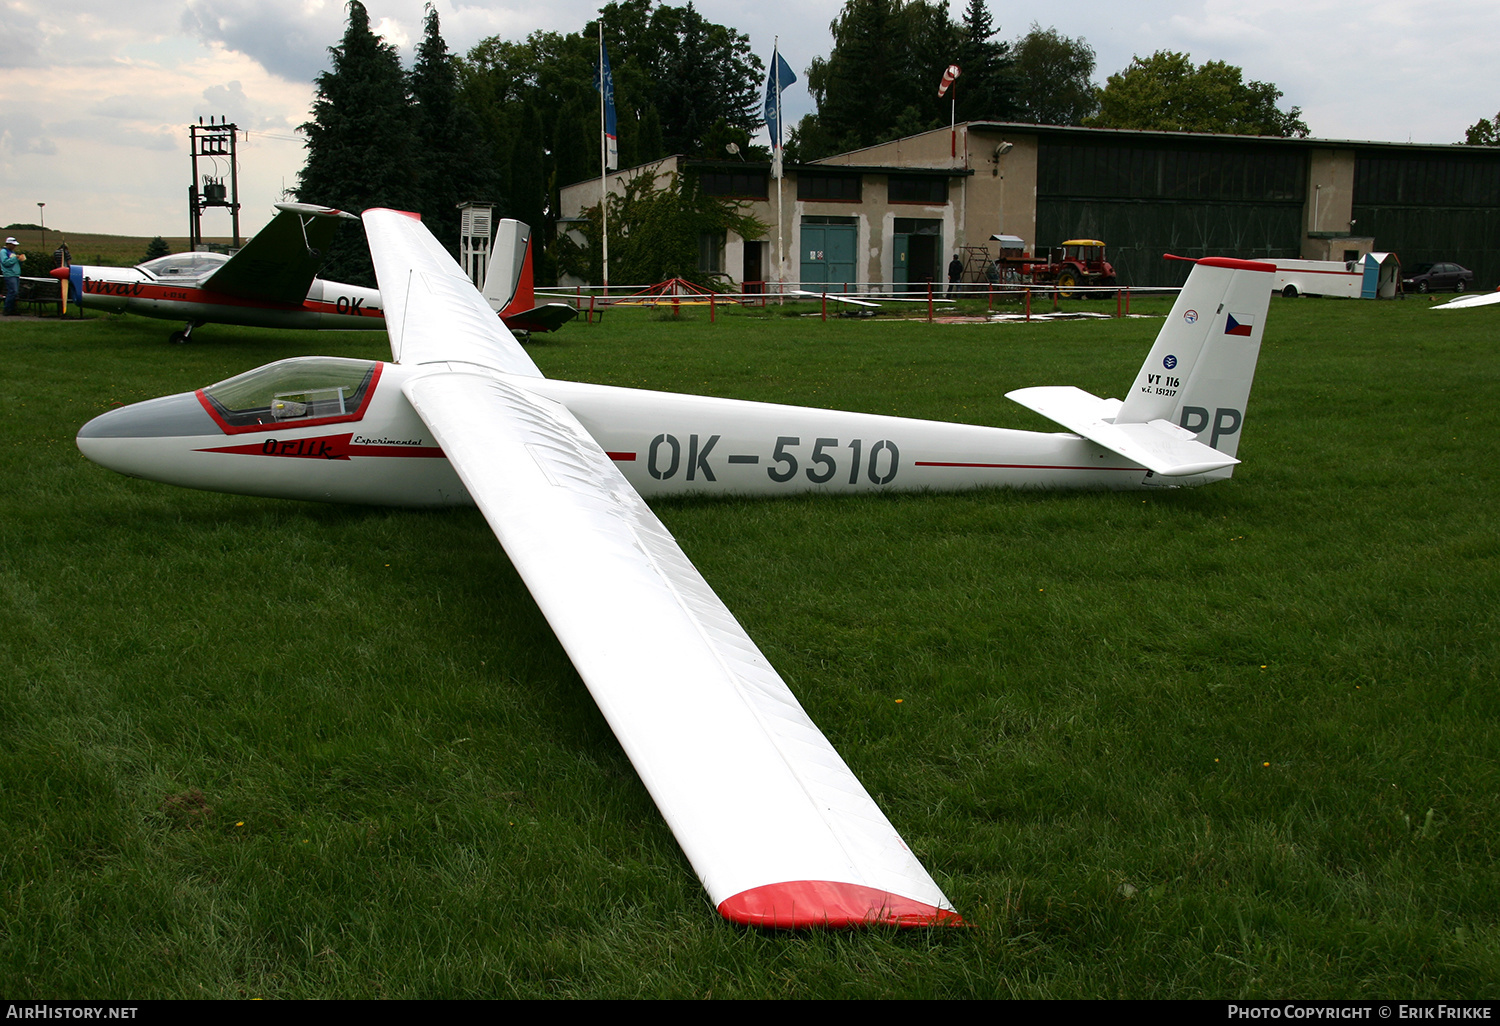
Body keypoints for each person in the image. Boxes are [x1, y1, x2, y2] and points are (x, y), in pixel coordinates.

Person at [2, 237, 25, 316]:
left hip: (15, 274)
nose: (15, 247)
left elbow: (14, 263)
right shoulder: (3, 252)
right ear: (8, 244)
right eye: (13, 245)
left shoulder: (12, 252)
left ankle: (12, 309)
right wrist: (15, 258)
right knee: (13, 292)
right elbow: (5, 263)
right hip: (9, 274)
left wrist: (20, 261)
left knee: (14, 293)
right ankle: (7, 309)